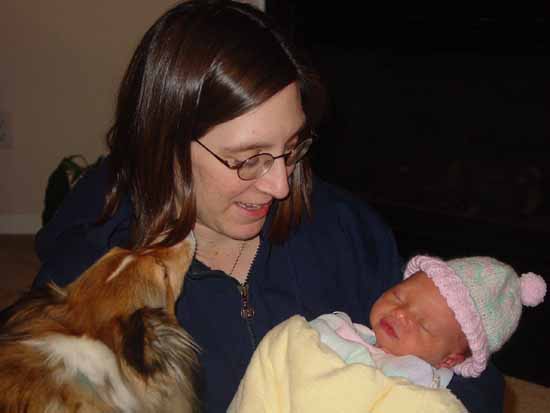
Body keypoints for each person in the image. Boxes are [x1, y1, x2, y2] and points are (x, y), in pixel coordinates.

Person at [32, 1, 504, 411]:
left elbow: (470, 373)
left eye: (292, 147)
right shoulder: (91, 282)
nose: (280, 184)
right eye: (247, 159)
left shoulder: (346, 230)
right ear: (166, 146)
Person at [309, 255, 546, 389]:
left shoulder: (422, 384)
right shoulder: (341, 329)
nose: (400, 314)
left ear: (449, 360)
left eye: (423, 325)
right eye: (398, 296)